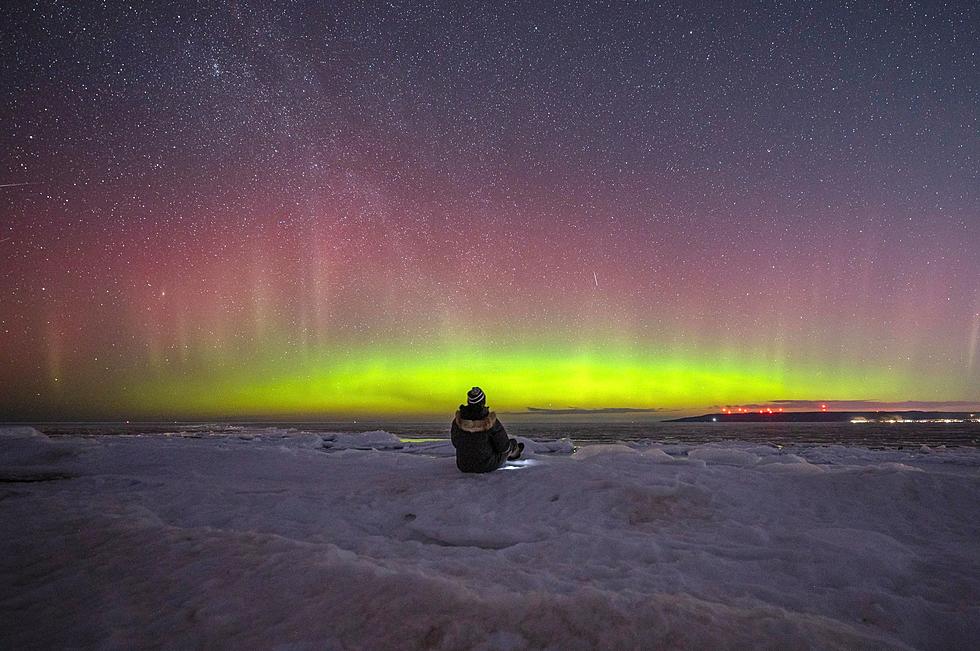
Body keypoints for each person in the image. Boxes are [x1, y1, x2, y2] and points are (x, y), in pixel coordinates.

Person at [450, 387, 523, 473]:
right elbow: (503, 447)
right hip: (486, 465)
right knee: (512, 443)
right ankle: (515, 453)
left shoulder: (458, 421)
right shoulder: (490, 421)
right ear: (483, 401)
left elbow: (455, 443)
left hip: (463, 466)